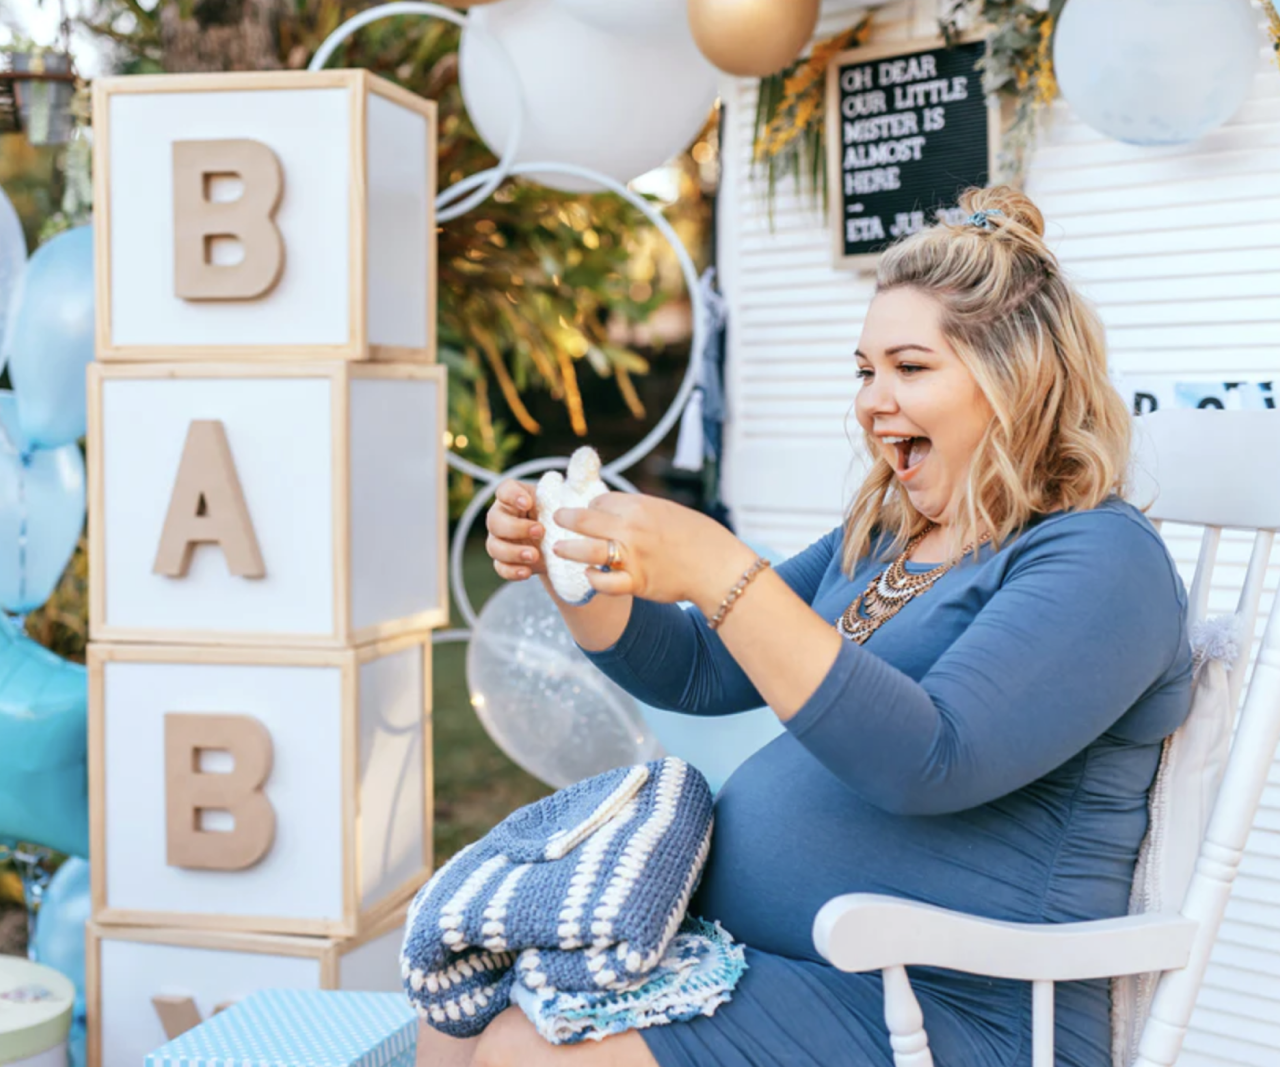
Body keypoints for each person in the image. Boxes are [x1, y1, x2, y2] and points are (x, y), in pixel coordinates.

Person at [418, 186, 1194, 1067]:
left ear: (1017, 376)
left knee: (529, 1053)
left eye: (910, 367)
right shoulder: (890, 534)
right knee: (463, 1007)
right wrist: (580, 574)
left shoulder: (1099, 558)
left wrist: (721, 569)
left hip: (950, 1003)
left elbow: (931, 759)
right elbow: (704, 667)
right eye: (866, 371)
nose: (873, 402)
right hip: (777, 962)